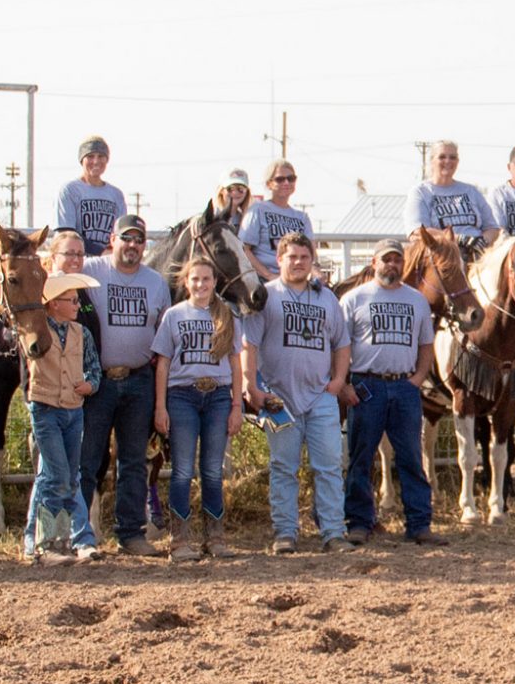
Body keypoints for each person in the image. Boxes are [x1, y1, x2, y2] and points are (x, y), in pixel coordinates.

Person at [240, 234, 356, 554]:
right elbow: (249, 344)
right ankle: (285, 532)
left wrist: (338, 381)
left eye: (304, 257)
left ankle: (333, 532)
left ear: (311, 260)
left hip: (320, 396)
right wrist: (252, 386)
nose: (298, 262)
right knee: (284, 467)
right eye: (292, 256)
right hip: (280, 398)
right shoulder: (266, 296)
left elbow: (342, 343)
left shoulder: (326, 299)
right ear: (279, 260)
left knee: (329, 466)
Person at [340, 238, 447, 547]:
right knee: (362, 456)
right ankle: (359, 522)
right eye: (386, 259)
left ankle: (418, 523)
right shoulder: (355, 298)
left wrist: (417, 378)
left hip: (404, 386)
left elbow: (426, 345)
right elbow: (341, 345)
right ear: (374, 263)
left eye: (397, 260)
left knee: (412, 457)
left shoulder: (416, 300)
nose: (392, 264)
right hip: (366, 384)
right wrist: (345, 383)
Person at [79, 214, 171, 557]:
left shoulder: (156, 283)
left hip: (139, 379)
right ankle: (81, 533)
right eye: (126, 239)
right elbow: (56, 267)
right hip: (99, 380)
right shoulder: (91, 270)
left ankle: (131, 533)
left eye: (139, 240)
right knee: (89, 459)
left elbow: (164, 334)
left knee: (134, 460)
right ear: (112, 240)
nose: (132, 246)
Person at [152, 259, 245, 561]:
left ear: (215, 281)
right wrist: (160, 406)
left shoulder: (226, 315)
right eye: (195, 279)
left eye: (206, 279)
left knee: (212, 470)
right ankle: (179, 540)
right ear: (185, 282)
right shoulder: (174, 315)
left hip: (217, 395)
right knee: (181, 469)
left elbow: (234, 362)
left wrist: (236, 405)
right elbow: (163, 362)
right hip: (182, 395)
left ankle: (214, 537)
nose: (201, 285)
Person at [24, 272, 103, 566]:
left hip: (73, 408)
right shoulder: (36, 330)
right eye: (71, 301)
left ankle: (52, 541)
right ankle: (47, 543)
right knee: (57, 476)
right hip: (46, 408)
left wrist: (90, 385)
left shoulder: (81, 333)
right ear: (54, 304)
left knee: (67, 477)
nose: (77, 306)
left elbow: (94, 368)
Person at [409, 140, 499, 261]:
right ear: (431, 161)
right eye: (442, 157)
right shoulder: (421, 192)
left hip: (477, 255)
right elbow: (419, 232)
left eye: (453, 157)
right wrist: (460, 239)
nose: (448, 161)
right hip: (442, 257)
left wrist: (481, 242)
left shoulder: (471, 191)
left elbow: (492, 228)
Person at [238, 159, 313, 279]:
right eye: (280, 179)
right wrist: (268, 275)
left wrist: (315, 272)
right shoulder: (258, 209)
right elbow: (244, 249)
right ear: (269, 184)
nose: (286, 182)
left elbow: (311, 252)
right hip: (263, 280)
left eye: (291, 178)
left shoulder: (302, 217)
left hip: (296, 278)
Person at [55, 135, 127, 256]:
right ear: (82, 160)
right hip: (76, 260)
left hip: (107, 262)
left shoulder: (116, 194)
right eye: (90, 156)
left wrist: (110, 253)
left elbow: (122, 233)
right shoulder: (70, 190)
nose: (96, 161)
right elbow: (66, 233)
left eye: (101, 156)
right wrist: (100, 251)